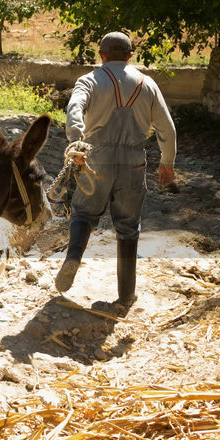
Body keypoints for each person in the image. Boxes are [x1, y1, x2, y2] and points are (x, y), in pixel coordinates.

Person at [55, 31, 177, 308]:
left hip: (95, 157)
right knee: (128, 226)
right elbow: (166, 128)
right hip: (134, 160)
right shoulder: (147, 84)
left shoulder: (89, 81)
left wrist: (76, 140)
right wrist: (167, 163)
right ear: (130, 56)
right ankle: (125, 295)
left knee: (84, 213)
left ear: (101, 55)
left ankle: (73, 257)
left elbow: (75, 108)